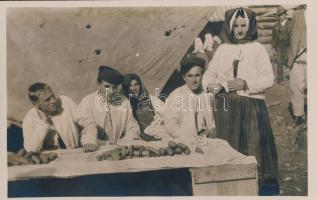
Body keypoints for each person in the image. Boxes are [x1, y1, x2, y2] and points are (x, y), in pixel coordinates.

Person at [202, 7, 279, 193]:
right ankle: (228, 189)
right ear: (229, 26)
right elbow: (209, 74)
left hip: (251, 106)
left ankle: (254, 189)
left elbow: (269, 78)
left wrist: (245, 83)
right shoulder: (222, 49)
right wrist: (211, 84)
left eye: (243, 25)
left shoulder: (257, 49)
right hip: (226, 108)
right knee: (228, 150)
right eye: (235, 25)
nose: (239, 29)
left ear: (250, 26)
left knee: (252, 149)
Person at [76, 66, 140, 152]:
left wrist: (124, 144)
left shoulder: (124, 102)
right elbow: (88, 126)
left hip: (119, 148)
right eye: (107, 87)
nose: (111, 92)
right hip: (95, 148)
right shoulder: (87, 102)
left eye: (115, 88)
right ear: (98, 84)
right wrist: (90, 141)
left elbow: (132, 128)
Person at [22, 82, 80, 163]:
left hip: (75, 155)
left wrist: (88, 140)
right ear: (36, 104)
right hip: (50, 160)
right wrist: (44, 123)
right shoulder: (30, 118)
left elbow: (85, 122)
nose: (53, 101)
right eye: (47, 100)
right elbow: (31, 149)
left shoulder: (66, 102)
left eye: (53, 96)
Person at [164, 56, 215, 144]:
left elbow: (211, 121)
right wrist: (189, 139)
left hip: (205, 140)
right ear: (184, 77)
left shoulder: (206, 94)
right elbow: (171, 126)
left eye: (197, 75)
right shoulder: (177, 96)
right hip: (183, 141)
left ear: (202, 76)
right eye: (190, 76)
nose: (194, 80)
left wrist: (211, 129)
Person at [122, 73, 166, 140]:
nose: (134, 88)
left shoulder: (150, 99)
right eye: (130, 86)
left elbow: (167, 113)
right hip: (136, 139)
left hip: (155, 134)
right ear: (126, 88)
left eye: (136, 84)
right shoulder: (124, 104)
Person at [287, 5, 307, 126]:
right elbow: (292, 36)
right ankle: (299, 116)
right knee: (295, 85)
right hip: (297, 54)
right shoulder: (297, 12)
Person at [272, 5, 292, 84]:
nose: (281, 17)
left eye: (282, 14)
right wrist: (273, 48)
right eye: (279, 15)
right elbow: (274, 38)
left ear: (285, 15)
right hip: (279, 46)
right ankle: (280, 79)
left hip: (288, 46)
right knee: (279, 62)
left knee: (290, 61)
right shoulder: (276, 26)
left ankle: (292, 77)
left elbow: (292, 36)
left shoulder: (290, 24)